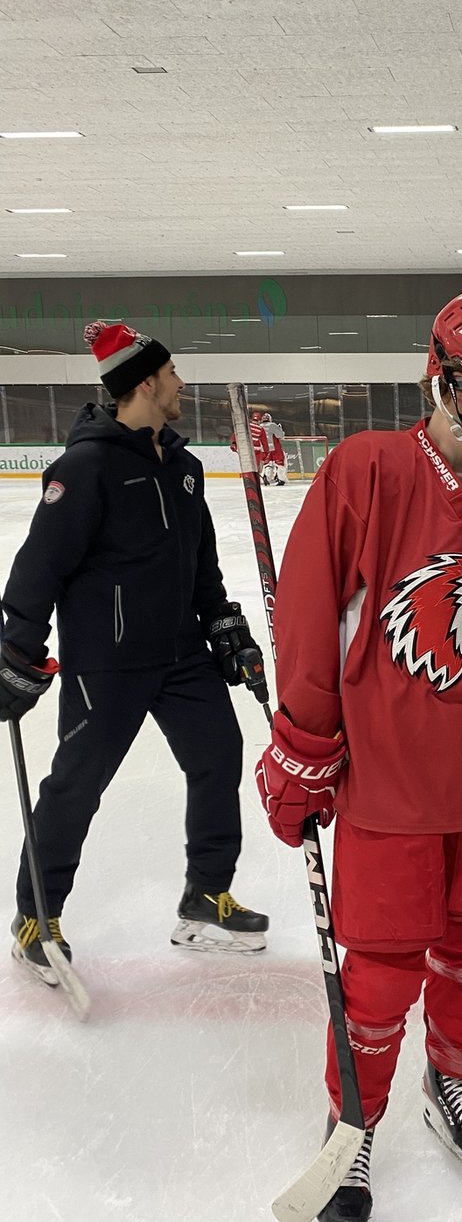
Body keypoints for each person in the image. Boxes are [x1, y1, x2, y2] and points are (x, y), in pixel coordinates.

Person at [255, 291, 462, 1222]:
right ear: (446, 379)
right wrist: (307, 743)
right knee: (382, 969)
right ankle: (353, 1123)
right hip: (388, 788)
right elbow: (311, 617)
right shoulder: (366, 472)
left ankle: (454, 1076)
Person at [0, 321, 270, 985]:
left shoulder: (182, 467)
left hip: (182, 655)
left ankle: (206, 896)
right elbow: (41, 567)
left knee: (218, 758)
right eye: (172, 373)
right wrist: (16, 648)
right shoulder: (85, 467)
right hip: (107, 663)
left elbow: (201, 564)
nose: (181, 382)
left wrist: (223, 623)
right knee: (76, 788)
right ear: (144, 382)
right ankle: (36, 917)